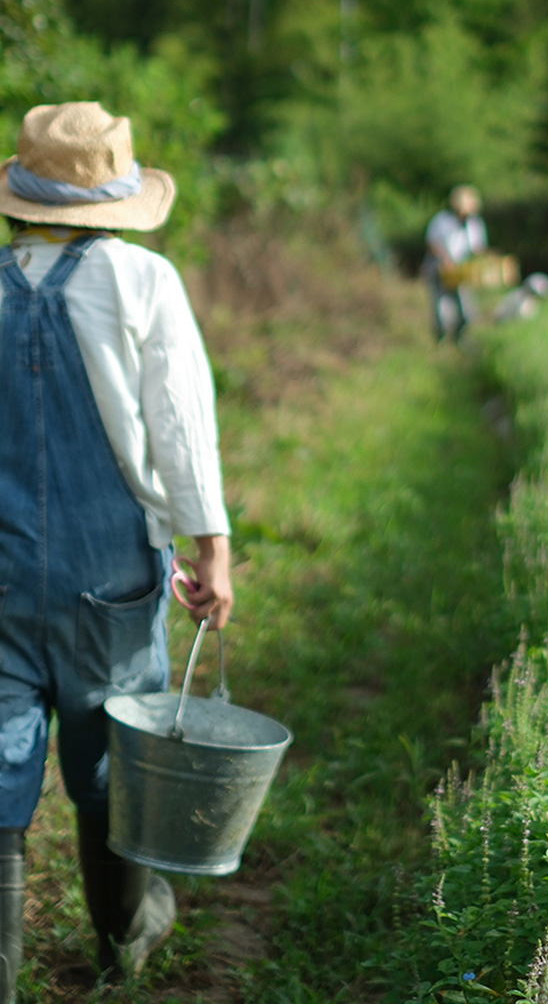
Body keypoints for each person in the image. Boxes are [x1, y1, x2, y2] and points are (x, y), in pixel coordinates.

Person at [0, 102, 233, 992]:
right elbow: (179, 423)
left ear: (22, 198)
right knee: (109, 759)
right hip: (112, 577)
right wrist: (209, 544)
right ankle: (124, 937)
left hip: (1, 572)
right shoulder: (140, 279)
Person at [422, 184, 488, 343]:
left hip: (461, 271)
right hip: (439, 269)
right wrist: (446, 259)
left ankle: (460, 339)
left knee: (466, 309)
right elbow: (432, 243)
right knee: (442, 309)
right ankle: (441, 340)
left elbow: (478, 247)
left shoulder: (475, 224)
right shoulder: (442, 220)